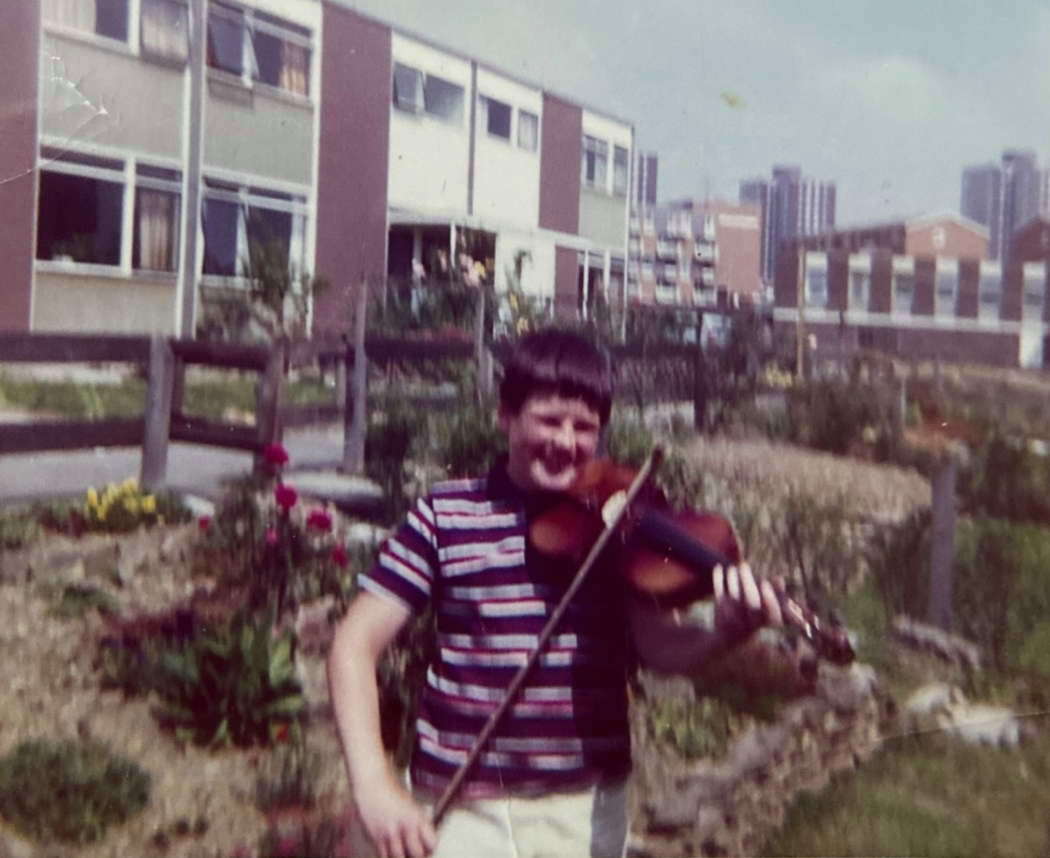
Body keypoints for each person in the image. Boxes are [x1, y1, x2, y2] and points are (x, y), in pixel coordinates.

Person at [327, 327, 785, 858]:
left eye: (585, 427)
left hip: (583, 807)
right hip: (462, 808)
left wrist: (723, 635)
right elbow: (353, 645)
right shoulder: (446, 514)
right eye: (548, 420)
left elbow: (658, 647)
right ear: (505, 415)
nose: (566, 442)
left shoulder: (618, 526)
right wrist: (374, 785)